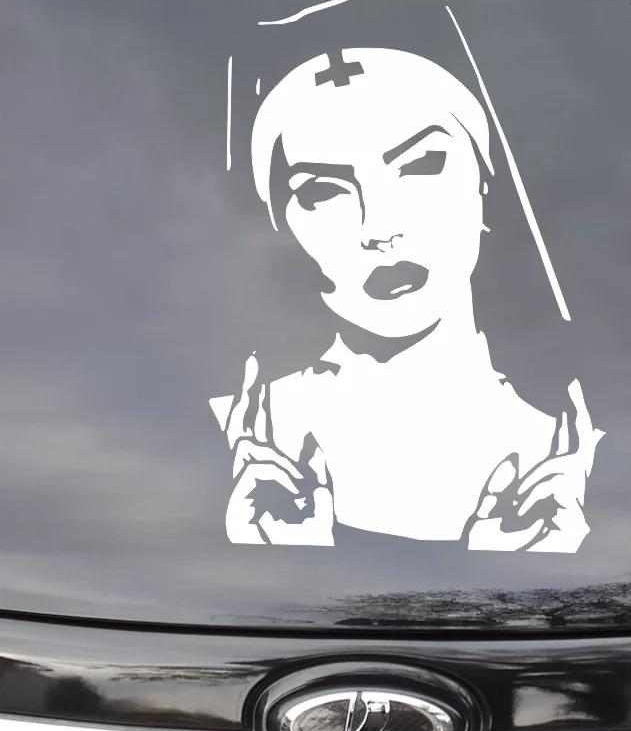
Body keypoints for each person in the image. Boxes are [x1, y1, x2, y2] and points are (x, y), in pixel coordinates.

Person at [210, 47, 604, 551]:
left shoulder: (586, 452)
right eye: (321, 191)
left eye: (421, 164)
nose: (379, 228)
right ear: (279, 226)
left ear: (484, 184)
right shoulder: (217, 440)